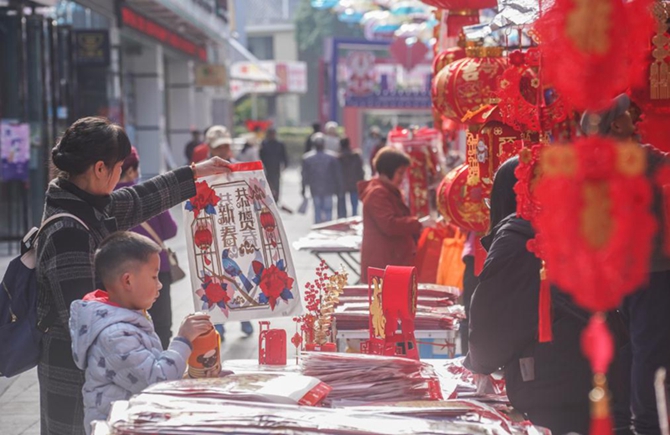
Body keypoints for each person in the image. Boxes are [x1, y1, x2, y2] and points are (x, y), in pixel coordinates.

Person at [38, 116, 229, 435]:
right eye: (117, 168)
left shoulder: (86, 205)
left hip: (105, 375)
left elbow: (140, 199)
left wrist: (196, 173)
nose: (118, 177)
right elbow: (82, 320)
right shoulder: (67, 231)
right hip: (76, 379)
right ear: (100, 168)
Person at [465, 158, 631, 435]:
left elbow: (493, 322)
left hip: (553, 384)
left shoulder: (518, 237)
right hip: (601, 372)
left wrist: (478, 363)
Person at [581, 94, 670, 435]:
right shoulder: (634, 158)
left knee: (627, 347)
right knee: (650, 349)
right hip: (649, 269)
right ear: (616, 125)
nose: (634, 116)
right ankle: (647, 424)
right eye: (626, 115)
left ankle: (624, 420)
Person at [69, 231, 214, 434]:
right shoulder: (115, 335)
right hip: (120, 427)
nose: (160, 284)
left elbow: (148, 364)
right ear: (127, 281)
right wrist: (183, 339)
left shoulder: (127, 317)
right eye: (154, 276)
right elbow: (157, 381)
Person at [115, 146, 178, 349]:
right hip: (156, 270)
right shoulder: (146, 194)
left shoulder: (103, 200)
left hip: (119, 272)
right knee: (160, 325)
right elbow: (170, 230)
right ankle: (160, 364)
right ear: (132, 170)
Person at [357, 147, 424, 282]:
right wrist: (418, 223)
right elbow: (390, 225)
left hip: (390, 259)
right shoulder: (378, 193)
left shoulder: (387, 191)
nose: (402, 178)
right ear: (388, 171)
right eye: (400, 173)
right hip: (383, 262)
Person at [301, 133, 343, 224]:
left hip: (315, 188)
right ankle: (328, 227)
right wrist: (339, 187)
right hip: (329, 187)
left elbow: (304, 176)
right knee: (328, 210)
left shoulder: (307, 158)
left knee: (317, 209)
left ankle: (318, 228)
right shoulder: (332, 157)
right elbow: (337, 175)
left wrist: (304, 189)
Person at [337, 137, 365, 218]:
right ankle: (354, 218)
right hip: (354, 183)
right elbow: (360, 170)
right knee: (354, 205)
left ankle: (343, 220)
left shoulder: (338, 158)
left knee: (342, 206)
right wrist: (362, 181)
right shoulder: (355, 156)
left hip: (342, 184)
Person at [259, 127, 288, 202]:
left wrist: (285, 164)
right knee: (268, 184)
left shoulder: (279, 144)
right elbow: (261, 155)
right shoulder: (264, 144)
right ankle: (269, 199)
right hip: (266, 167)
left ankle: (276, 199)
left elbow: (284, 155)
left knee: (276, 183)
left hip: (276, 167)